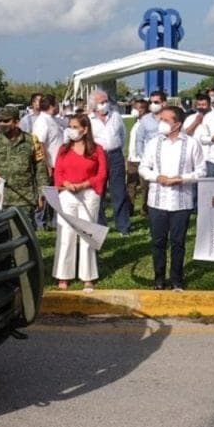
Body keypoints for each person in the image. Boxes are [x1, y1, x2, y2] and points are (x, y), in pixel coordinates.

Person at [139, 106, 206, 291]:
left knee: (178, 242)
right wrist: (157, 177)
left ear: (177, 124)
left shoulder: (192, 144)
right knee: (158, 242)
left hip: (181, 201)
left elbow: (201, 171)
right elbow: (143, 168)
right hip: (157, 200)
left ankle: (177, 278)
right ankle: (159, 278)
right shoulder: (154, 143)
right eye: (161, 119)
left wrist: (181, 179)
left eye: (166, 120)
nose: (162, 123)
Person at [52, 113, 108, 291]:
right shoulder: (63, 149)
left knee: (86, 235)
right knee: (66, 235)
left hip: (88, 195)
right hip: (67, 195)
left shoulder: (97, 150)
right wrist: (66, 184)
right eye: (70, 126)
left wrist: (85, 184)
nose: (71, 130)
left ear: (85, 130)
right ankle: (63, 275)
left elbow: (102, 174)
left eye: (75, 127)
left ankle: (88, 276)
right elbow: (58, 172)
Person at [0, 106, 48, 219]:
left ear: (16, 122)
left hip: (25, 200)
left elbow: (41, 170)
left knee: (24, 234)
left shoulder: (31, 141)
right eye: (0, 121)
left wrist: (42, 194)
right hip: (1, 200)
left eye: (6, 121)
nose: (2, 124)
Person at [88, 90, 131, 236]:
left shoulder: (116, 116)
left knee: (119, 191)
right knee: (98, 192)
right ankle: (100, 225)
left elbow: (123, 135)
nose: (105, 104)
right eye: (101, 102)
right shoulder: (89, 120)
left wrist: (118, 150)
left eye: (106, 101)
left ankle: (123, 226)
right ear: (94, 104)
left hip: (115, 155)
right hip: (97, 157)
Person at [32, 95, 63, 229]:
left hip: (58, 164)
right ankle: (40, 223)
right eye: (57, 103)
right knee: (46, 194)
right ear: (51, 106)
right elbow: (39, 144)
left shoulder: (52, 120)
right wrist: (46, 164)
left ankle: (53, 221)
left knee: (56, 195)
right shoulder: (42, 122)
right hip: (50, 165)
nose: (58, 106)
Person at [126, 98, 149, 217]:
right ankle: (129, 209)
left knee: (145, 186)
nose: (136, 110)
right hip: (132, 159)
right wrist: (129, 157)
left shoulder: (148, 123)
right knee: (131, 185)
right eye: (135, 107)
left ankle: (145, 210)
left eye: (139, 108)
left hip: (143, 160)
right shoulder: (135, 123)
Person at [135, 89, 167, 158]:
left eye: (156, 102)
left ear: (164, 103)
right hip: (151, 158)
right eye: (151, 102)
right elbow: (139, 139)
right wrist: (142, 156)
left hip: (167, 158)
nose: (153, 104)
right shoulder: (145, 119)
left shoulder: (172, 118)